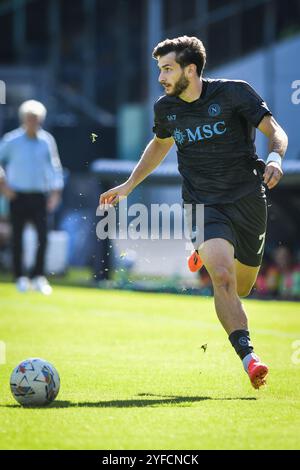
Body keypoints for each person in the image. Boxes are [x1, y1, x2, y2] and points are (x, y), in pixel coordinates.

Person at [99, 36, 288, 389]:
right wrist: (128, 185)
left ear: (191, 69)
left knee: (243, 286)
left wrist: (275, 157)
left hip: (247, 200)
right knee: (223, 277)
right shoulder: (165, 109)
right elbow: (160, 143)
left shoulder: (234, 93)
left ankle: (204, 251)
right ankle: (250, 358)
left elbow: (275, 131)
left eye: (167, 69)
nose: (161, 77)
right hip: (204, 204)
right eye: (160, 69)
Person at [0, 100, 64, 294]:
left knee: (43, 238)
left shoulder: (46, 140)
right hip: (17, 195)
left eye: (36, 120)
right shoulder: (12, 140)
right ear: (24, 119)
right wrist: (4, 185)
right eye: (30, 119)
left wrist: (55, 192)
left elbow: (55, 168)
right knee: (17, 239)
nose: (33, 123)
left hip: (40, 195)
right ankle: (19, 277)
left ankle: (38, 277)